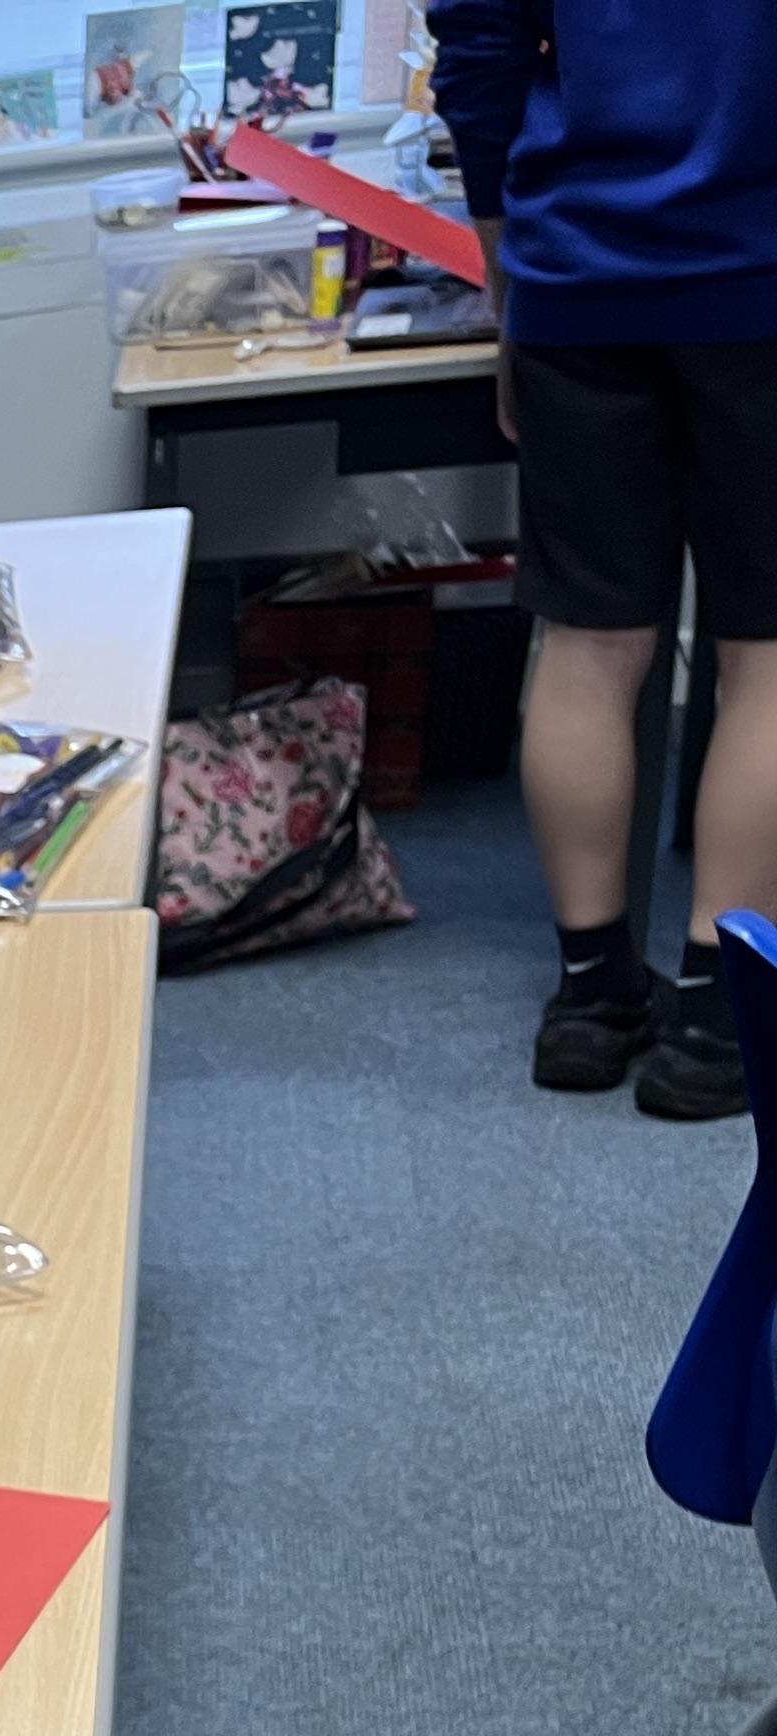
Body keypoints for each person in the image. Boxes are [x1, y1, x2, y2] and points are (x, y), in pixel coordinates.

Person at [432, 0, 777, 1118]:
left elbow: (478, 47)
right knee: (769, 657)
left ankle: (590, 996)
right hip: (762, 270)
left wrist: (508, 280)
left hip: (578, 274)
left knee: (588, 642)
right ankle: (718, 1018)